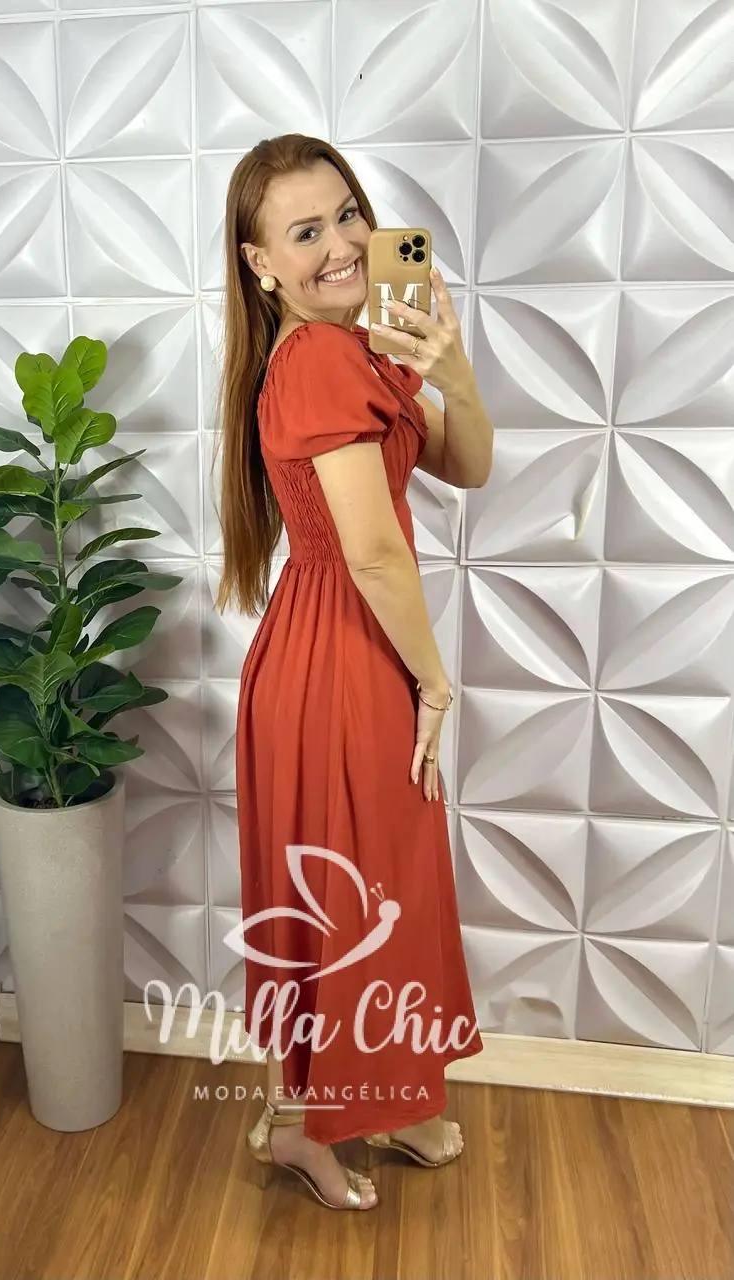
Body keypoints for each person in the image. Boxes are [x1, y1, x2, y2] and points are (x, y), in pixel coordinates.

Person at [214, 134, 493, 1211]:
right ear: (259, 263)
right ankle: (301, 1125)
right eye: (305, 231)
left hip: (340, 646)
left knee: (375, 885)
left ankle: (386, 1095)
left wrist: (452, 371)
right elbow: (374, 553)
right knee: (350, 891)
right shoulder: (321, 360)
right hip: (344, 656)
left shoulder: (357, 345)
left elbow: (467, 463)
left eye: (346, 214)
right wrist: (434, 681)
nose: (339, 244)